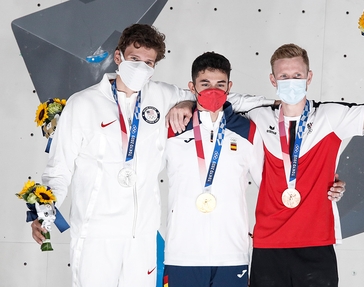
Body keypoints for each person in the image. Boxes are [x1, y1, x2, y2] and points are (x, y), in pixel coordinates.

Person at [30, 24, 275, 287]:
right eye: (134, 59)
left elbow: (211, 97)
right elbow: (59, 169)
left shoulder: (162, 95)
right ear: (118, 57)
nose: (141, 68)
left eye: (149, 62)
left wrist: (281, 105)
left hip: (144, 237)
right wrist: (43, 211)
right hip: (96, 234)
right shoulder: (83, 104)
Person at [162, 52, 347, 287]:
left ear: (230, 87)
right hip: (181, 253)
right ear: (192, 87)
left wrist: (328, 184)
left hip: (233, 254)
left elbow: (276, 178)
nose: (213, 91)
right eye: (205, 84)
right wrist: (185, 103)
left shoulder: (248, 130)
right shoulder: (172, 126)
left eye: (220, 85)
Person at [247, 42, 364, 287]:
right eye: (284, 76)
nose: (291, 81)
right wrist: (184, 105)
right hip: (269, 244)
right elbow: (211, 107)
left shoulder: (331, 116)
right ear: (273, 79)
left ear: (309, 77)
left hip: (316, 243)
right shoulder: (257, 116)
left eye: (297, 75)